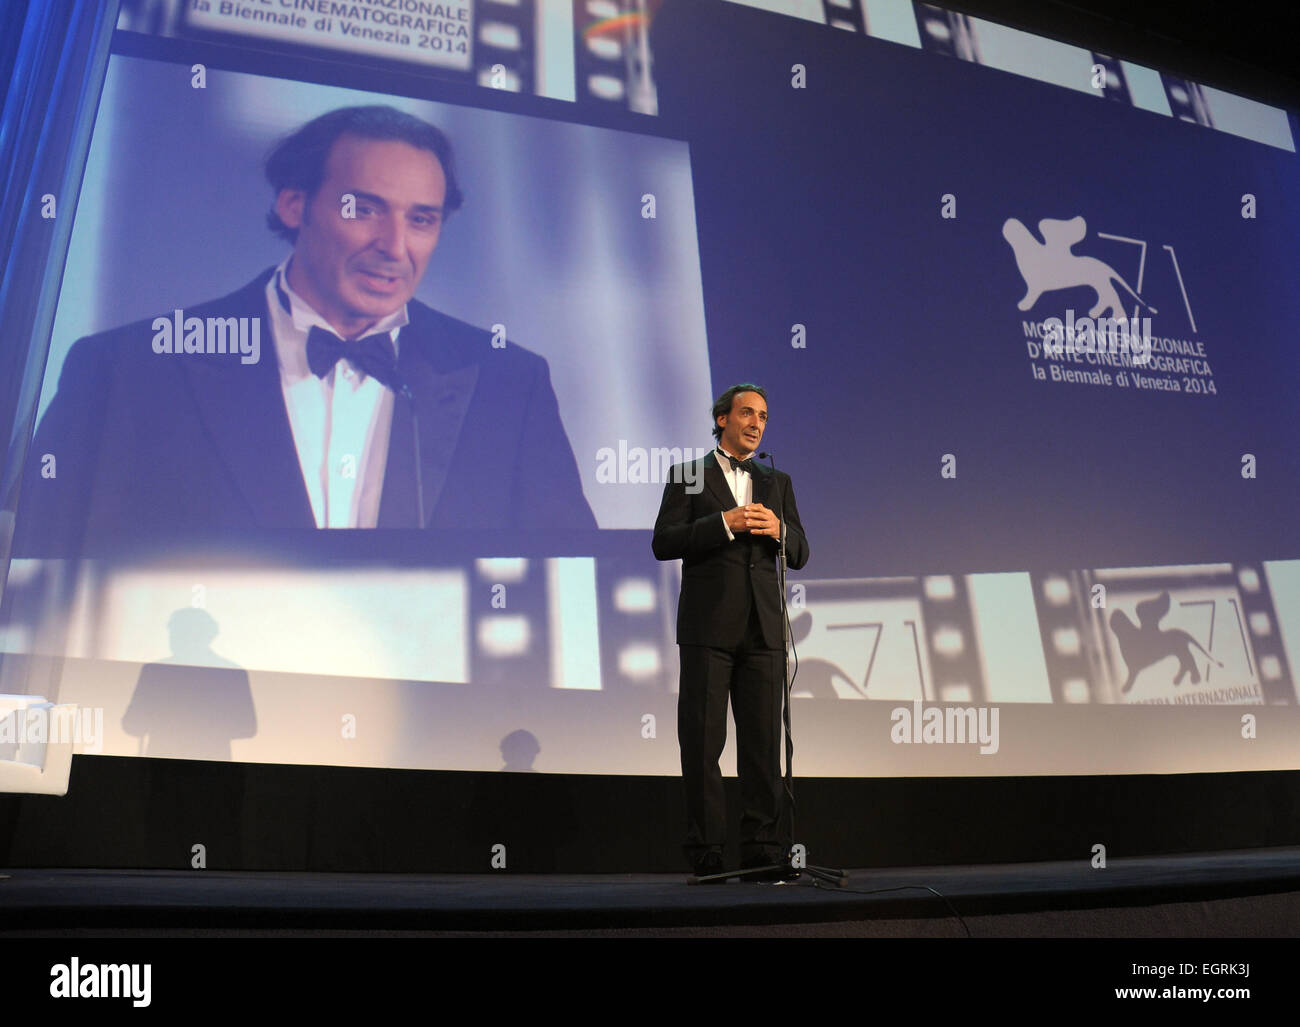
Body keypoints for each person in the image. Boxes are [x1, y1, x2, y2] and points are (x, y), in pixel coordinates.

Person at [15, 105, 595, 555]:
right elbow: (37, 564)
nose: (395, 248)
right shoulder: (129, 369)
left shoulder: (509, 384)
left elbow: (572, 582)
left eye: (421, 220)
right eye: (362, 209)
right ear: (294, 205)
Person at [652, 383, 809, 881]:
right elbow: (664, 542)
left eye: (763, 415)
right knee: (702, 743)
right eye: (746, 412)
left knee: (763, 747)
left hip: (764, 630)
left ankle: (763, 849)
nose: (756, 422)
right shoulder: (690, 477)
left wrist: (779, 531)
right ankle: (706, 852)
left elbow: (802, 551)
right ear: (722, 418)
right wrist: (724, 522)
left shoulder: (777, 481)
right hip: (707, 629)